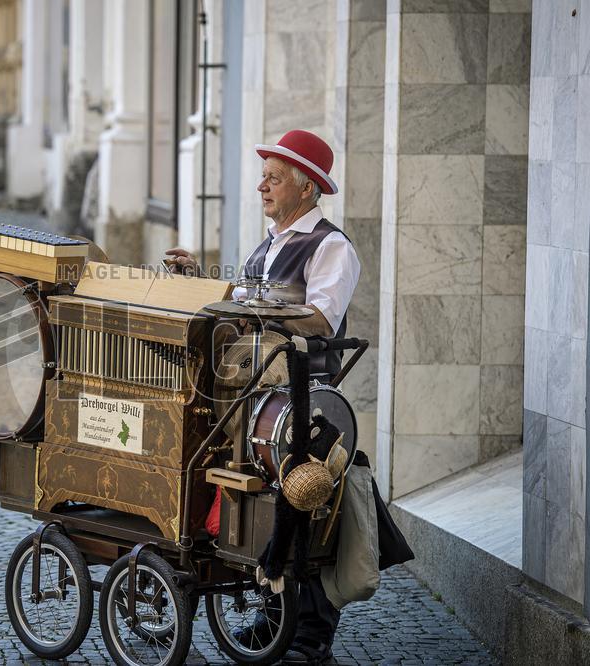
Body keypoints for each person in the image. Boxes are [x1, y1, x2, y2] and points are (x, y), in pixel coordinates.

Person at [166, 129, 360, 665]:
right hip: (252, 394)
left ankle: (311, 638)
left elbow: (322, 317)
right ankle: (273, 619)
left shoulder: (331, 247)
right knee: (261, 507)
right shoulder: (269, 244)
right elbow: (243, 301)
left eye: (274, 179)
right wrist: (198, 283)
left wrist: (256, 312)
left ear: (306, 188)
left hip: (304, 400)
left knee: (306, 507)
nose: (262, 187)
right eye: (264, 177)